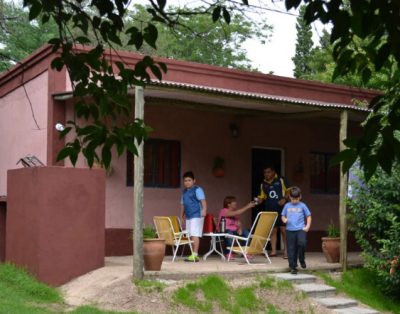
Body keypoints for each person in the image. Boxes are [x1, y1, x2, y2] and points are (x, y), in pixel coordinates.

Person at [257, 165, 290, 258]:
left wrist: (284, 199)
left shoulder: (281, 180)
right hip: (270, 210)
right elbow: (261, 197)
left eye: (268, 172)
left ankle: (286, 251)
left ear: (273, 172)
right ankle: (274, 251)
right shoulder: (263, 184)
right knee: (273, 231)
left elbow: (289, 191)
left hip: (282, 210)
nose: (266, 174)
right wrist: (257, 201)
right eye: (265, 172)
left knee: (284, 230)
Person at [281, 186, 312, 275]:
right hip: (290, 230)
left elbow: (308, 216)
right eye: (293, 199)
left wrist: (308, 226)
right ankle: (293, 267)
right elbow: (282, 215)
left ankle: (302, 259)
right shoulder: (287, 205)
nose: (295, 201)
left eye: (296, 199)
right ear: (290, 197)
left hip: (300, 229)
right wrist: (284, 219)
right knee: (291, 249)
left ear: (300, 197)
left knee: (302, 243)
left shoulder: (303, 205)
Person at [180, 171, 207, 262]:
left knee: (195, 234)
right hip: (188, 216)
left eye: (189, 180)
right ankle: (192, 254)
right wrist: (182, 215)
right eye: (185, 181)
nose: (187, 182)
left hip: (197, 215)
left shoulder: (197, 189)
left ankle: (195, 255)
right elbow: (183, 204)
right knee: (190, 234)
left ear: (194, 181)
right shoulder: (184, 192)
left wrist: (204, 210)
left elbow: (203, 201)